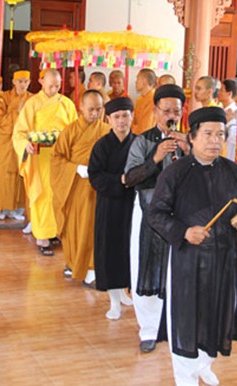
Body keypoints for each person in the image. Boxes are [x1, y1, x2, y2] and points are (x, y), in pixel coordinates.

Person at [148, 106, 237, 386]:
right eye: (208, 134)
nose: (215, 141)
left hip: (223, 257)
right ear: (192, 137)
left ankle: (204, 363)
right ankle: (185, 376)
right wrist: (184, 232)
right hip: (188, 259)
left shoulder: (234, 172)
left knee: (216, 314)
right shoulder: (175, 173)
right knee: (186, 318)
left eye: (220, 134)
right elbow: (156, 214)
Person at [124, 84, 188, 353]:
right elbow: (130, 178)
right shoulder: (142, 141)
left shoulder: (188, 140)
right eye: (166, 111)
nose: (171, 116)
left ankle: (175, 328)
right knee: (146, 267)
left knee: (176, 270)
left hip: (180, 216)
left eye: (176, 111)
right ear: (155, 111)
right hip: (148, 212)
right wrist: (156, 157)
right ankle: (148, 330)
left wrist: (189, 151)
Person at [13, 69, 78, 254]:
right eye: (51, 86)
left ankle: (55, 231)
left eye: (57, 86)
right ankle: (42, 236)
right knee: (42, 194)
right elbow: (19, 132)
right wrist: (25, 145)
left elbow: (75, 129)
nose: (54, 89)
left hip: (61, 157)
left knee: (59, 194)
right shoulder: (32, 103)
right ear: (42, 82)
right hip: (40, 157)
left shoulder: (67, 104)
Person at [51, 90, 110, 281]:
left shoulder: (107, 131)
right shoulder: (70, 131)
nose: (95, 113)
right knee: (74, 226)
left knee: (93, 228)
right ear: (81, 107)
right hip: (75, 187)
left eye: (99, 109)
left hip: (99, 189)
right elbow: (56, 158)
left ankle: (91, 267)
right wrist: (75, 168)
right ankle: (73, 261)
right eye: (91, 109)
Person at [89, 98, 136, 320]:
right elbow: (95, 176)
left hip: (133, 204)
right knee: (110, 251)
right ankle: (114, 300)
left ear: (132, 116)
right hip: (109, 205)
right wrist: (120, 180)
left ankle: (125, 291)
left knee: (130, 249)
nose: (121, 121)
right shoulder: (102, 146)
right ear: (108, 119)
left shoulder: (139, 143)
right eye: (116, 117)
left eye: (125, 115)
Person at [0, 70, 32, 221]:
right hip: (6, 141)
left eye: (25, 81)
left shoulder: (32, 99)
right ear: (13, 82)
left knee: (21, 171)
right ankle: (2, 206)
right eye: (20, 81)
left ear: (29, 82)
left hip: (23, 140)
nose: (23, 84)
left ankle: (18, 208)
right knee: (5, 172)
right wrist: (17, 113)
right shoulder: (3, 97)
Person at [131, 68, 157, 135]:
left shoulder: (152, 99)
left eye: (138, 79)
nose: (136, 82)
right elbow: (134, 121)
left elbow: (146, 127)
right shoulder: (140, 99)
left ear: (144, 81)